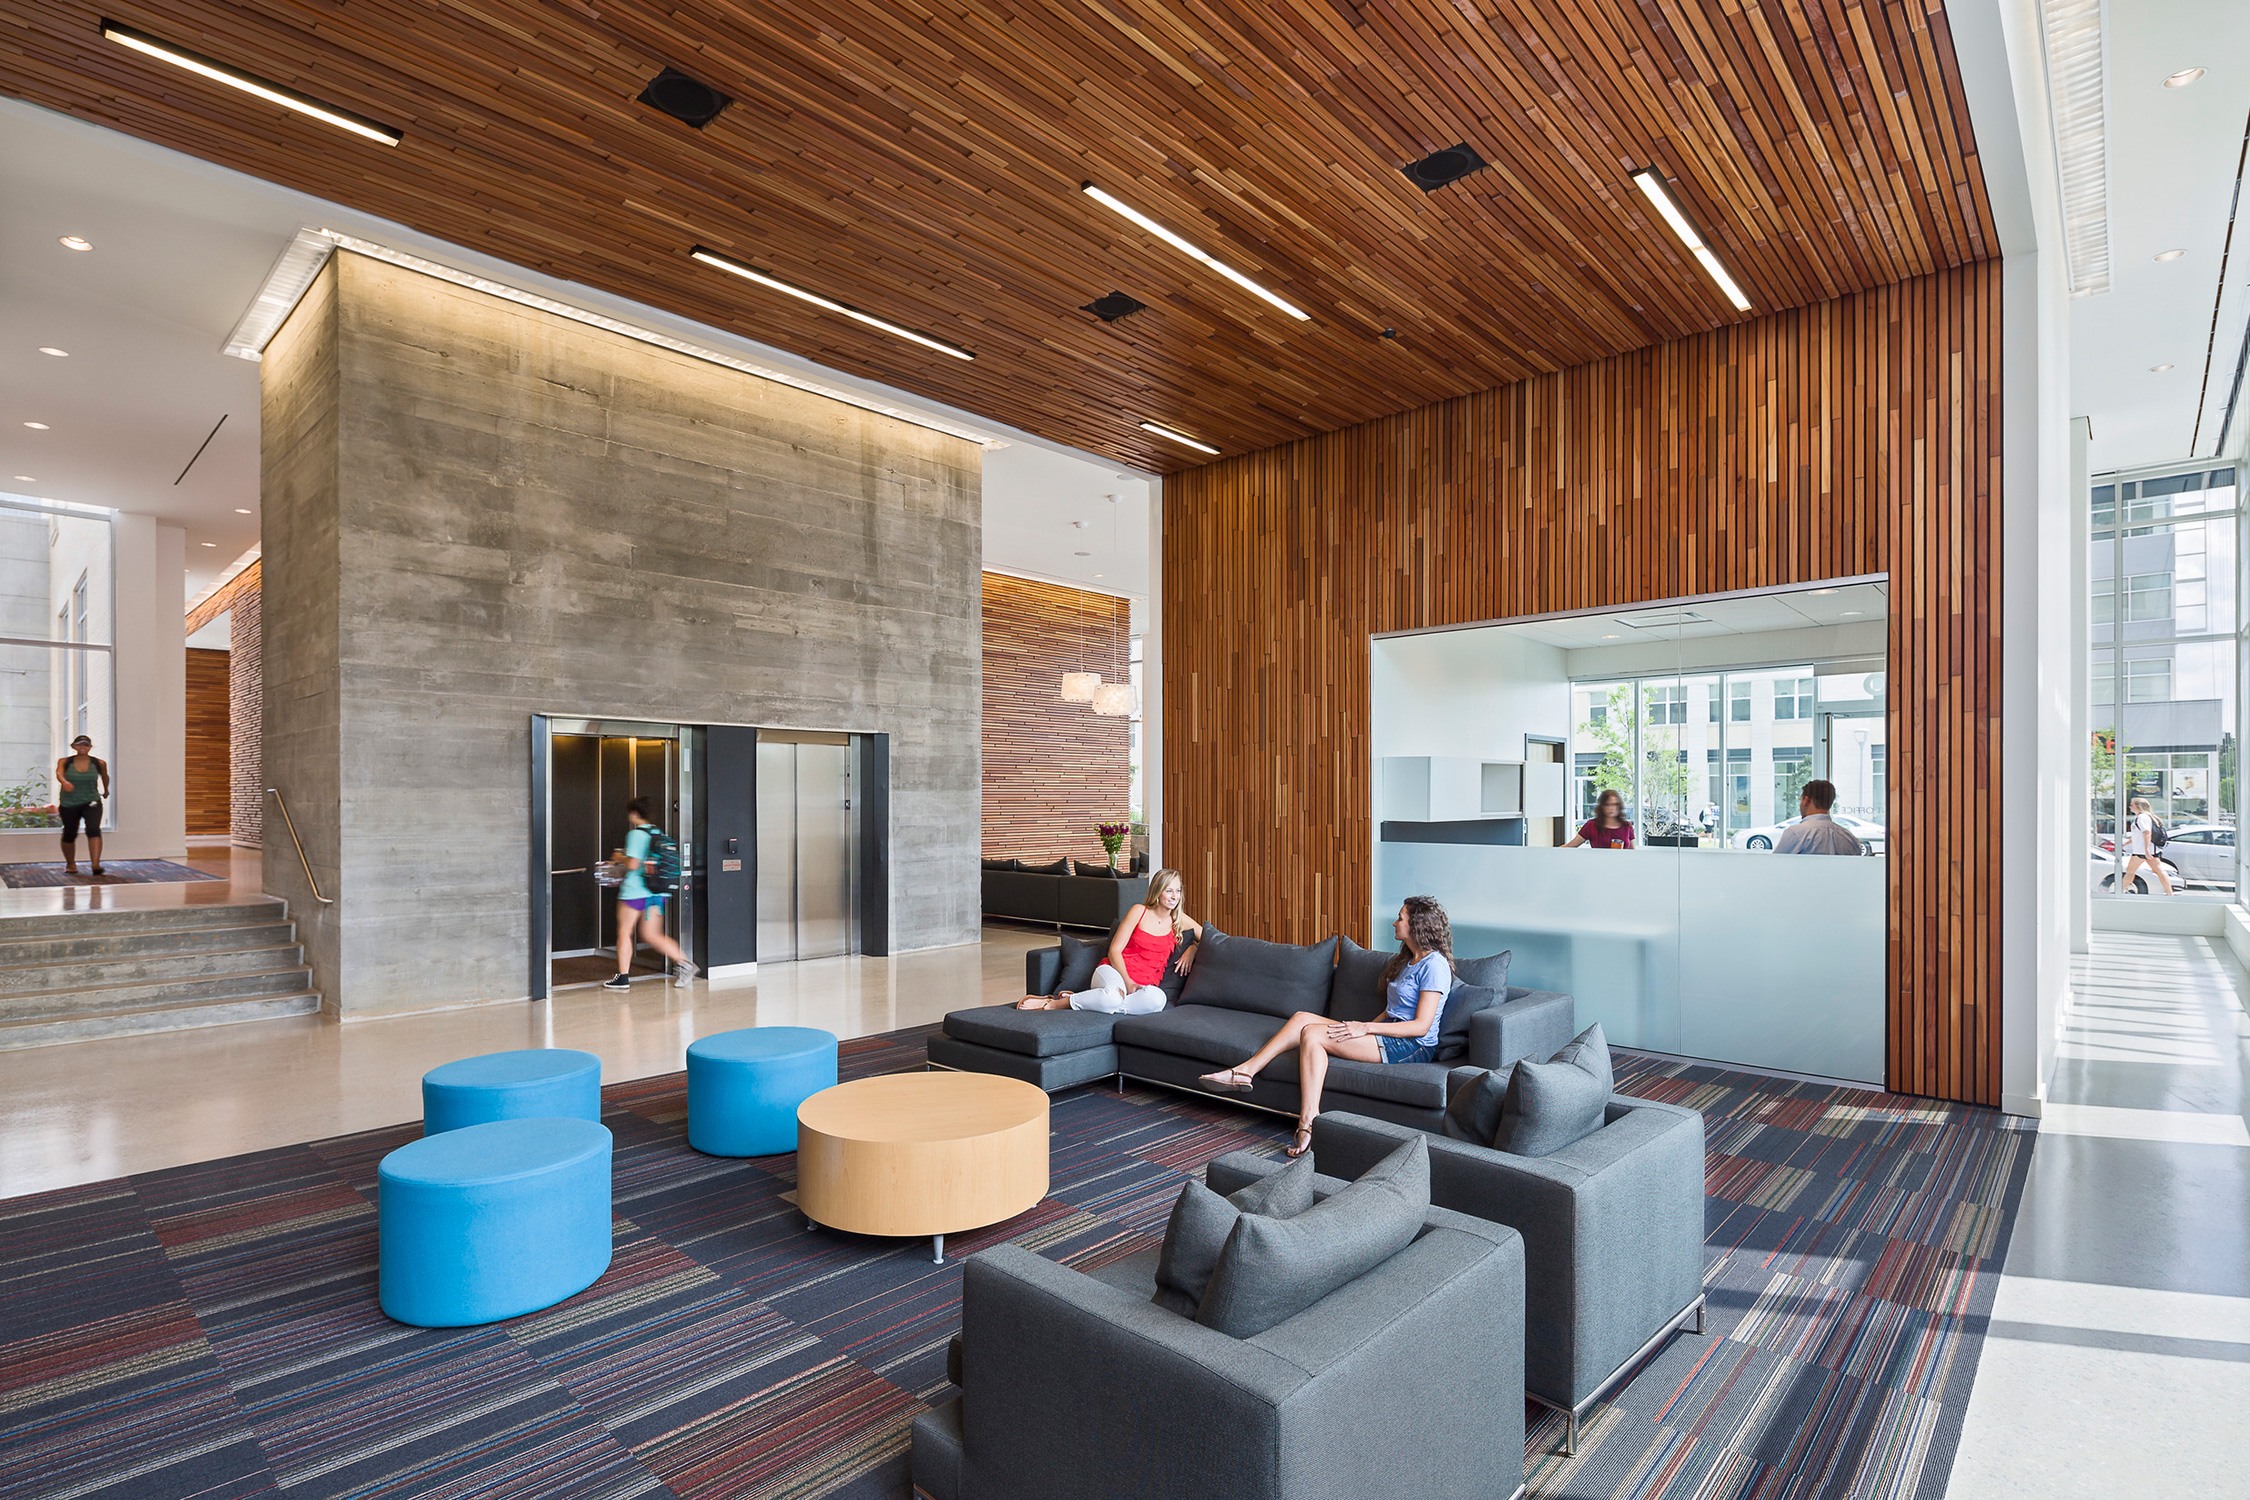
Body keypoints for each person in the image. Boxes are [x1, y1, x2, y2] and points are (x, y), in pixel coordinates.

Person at [1198, 895, 1454, 1159]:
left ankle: (1307, 1123)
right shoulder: (1408, 959)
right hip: (1388, 1031)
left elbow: (1420, 1027)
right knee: (1301, 1018)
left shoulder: (1434, 965)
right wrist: (1358, 1027)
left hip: (1411, 1045)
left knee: (1313, 1034)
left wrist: (1365, 1029)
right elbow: (1392, 1011)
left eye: (1400, 918)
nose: (1394, 922)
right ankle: (1244, 1072)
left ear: (1417, 925)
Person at [1017, 867, 1201, 1013]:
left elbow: (1211, 937)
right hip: (1113, 973)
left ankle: (1089, 1000)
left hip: (1145, 986)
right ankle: (1055, 1004)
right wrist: (1128, 982)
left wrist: (1192, 949)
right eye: (1169, 890)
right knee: (1112, 997)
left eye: (1177, 890)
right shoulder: (1139, 911)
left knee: (1158, 1000)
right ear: (1158, 891)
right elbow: (1114, 950)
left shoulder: (1179, 920)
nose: (1174, 896)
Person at [603, 797, 696, 989]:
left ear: (634, 814)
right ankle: (685, 964)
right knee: (652, 934)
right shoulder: (658, 833)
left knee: (624, 932)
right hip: (655, 893)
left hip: (634, 892)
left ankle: (623, 977)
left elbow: (633, 864)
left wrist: (620, 856)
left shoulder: (636, 834)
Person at [54, 735, 110, 877]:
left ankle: (96, 865)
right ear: (74, 747)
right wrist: (64, 782)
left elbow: (105, 776)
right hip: (69, 803)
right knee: (69, 833)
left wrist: (106, 790)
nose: (83, 748)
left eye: (86, 745)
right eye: (79, 745)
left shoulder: (99, 763)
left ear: (90, 747)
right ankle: (70, 863)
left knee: (93, 830)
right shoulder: (65, 761)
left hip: (91, 801)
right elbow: (59, 773)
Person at [1771, 779, 1863, 855]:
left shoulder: (1796, 833)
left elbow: (1776, 865)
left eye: (1800, 800)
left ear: (1806, 801)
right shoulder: (1849, 838)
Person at [2121, 797, 2173, 895]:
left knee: (2130, 871)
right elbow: (2138, 835)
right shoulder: (2148, 816)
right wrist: (2126, 843)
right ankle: (2170, 893)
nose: (2130, 807)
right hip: (2150, 850)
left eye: (2132, 805)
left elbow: (2147, 832)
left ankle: (2121, 891)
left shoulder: (2142, 817)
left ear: (2138, 806)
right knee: (2159, 871)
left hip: (2141, 851)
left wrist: (2146, 850)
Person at [1565, 789, 1635, 849]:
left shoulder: (1627, 826)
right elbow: (1571, 845)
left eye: (1615, 804)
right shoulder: (1591, 825)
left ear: (1619, 806)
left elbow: (1632, 853)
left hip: (1622, 864)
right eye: (1607, 804)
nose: (1611, 808)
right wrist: (1555, 852)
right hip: (1598, 864)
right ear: (1601, 807)